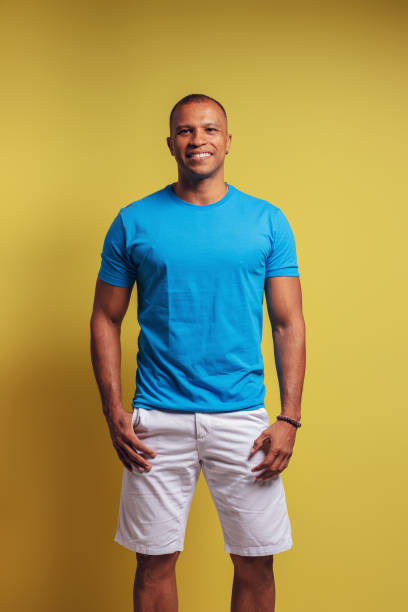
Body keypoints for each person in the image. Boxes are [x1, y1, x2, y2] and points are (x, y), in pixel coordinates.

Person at [90, 93, 306, 612]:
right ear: (171, 144)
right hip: (157, 420)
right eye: (186, 131)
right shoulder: (134, 220)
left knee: (257, 560)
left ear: (228, 142)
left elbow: (287, 322)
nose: (198, 140)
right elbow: (105, 316)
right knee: (153, 561)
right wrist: (113, 410)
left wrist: (290, 418)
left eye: (210, 130)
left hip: (243, 419)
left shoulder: (266, 221)